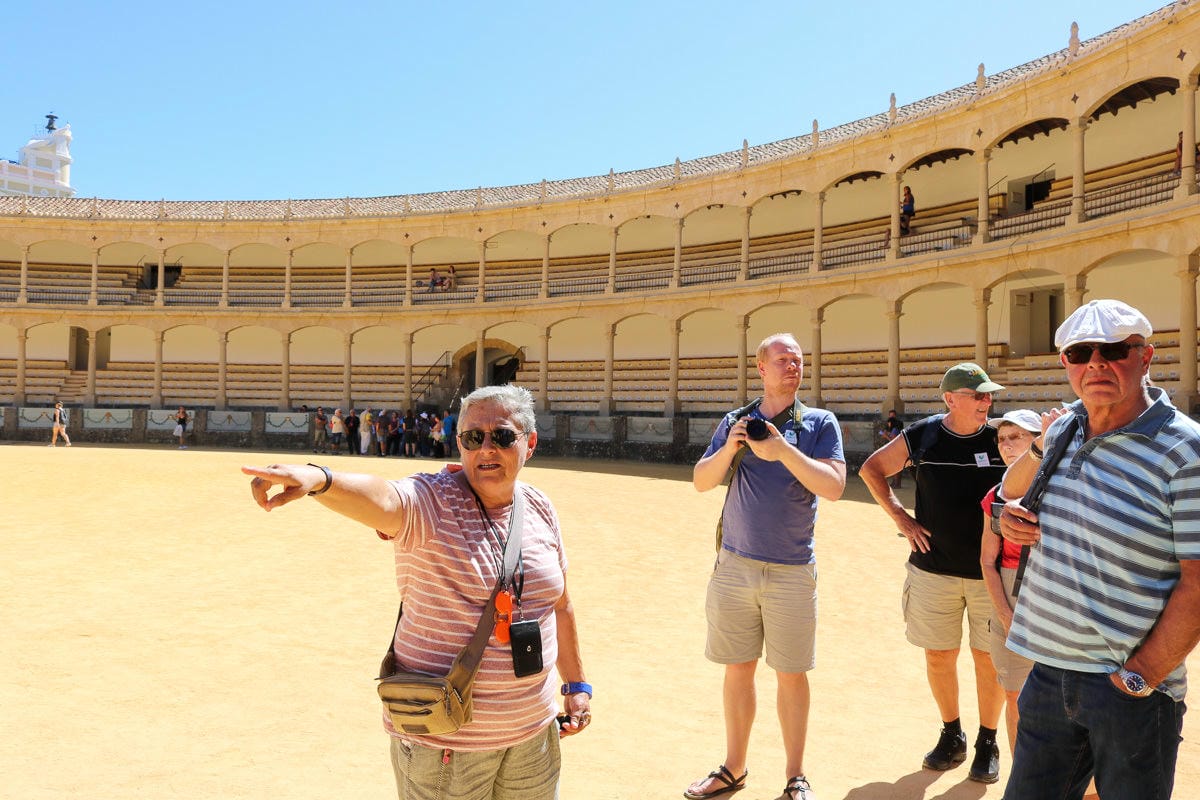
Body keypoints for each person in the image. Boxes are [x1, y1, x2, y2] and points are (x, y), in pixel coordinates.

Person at [241, 384, 590, 800]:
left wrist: (576, 686)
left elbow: (561, 605)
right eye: (472, 438)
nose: (486, 449)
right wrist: (322, 480)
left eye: (501, 436)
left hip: (533, 738)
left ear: (529, 442)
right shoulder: (434, 501)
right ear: (458, 443)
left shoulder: (538, 506)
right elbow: (387, 499)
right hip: (445, 746)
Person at [998, 299, 1200, 800]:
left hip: (1128, 688)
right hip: (1048, 674)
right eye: (1080, 353)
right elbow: (1016, 495)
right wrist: (1015, 519)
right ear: (1065, 363)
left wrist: (1141, 677)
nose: (1096, 364)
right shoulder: (1064, 428)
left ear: (1146, 356)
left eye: (1113, 350)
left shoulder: (1185, 449)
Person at [685, 333, 846, 800]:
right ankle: (733, 767)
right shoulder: (737, 420)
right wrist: (731, 448)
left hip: (792, 568)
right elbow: (701, 481)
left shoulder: (819, 422)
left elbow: (834, 487)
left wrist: (782, 451)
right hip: (734, 565)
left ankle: (796, 775)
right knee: (738, 669)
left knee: (791, 673)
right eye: (782, 360)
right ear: (761, 368)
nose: (792, 367)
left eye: (797, 360)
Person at [859, 363, 1007, 784]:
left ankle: (987, 741)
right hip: (933, 571)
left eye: (988, 395)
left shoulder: (1002, 437)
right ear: (950, 399)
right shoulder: (922, 436)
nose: (987, 402)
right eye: (978, 396)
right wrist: (900, 518)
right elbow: (871, 469)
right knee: (939, 656)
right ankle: (951, 734)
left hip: (990, 574)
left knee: (988, 660)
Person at [882, 409, 904, 488]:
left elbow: (893, 440)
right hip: (896, 448)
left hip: (896, 448)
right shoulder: (894, 427)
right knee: (895, 466)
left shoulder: (895, 428)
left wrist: (886, 436)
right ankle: (895, 483)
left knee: (896, 466)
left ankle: (897, 483)